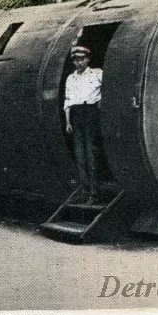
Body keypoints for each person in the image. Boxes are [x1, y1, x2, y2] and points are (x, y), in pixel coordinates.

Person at [64, 45, 103, 204]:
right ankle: (84, 190)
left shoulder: (97, 73)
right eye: (76, 60)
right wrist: (68, 121)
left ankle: (94, 193)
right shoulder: (70, 78)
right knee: (80, 155)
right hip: (76, 115)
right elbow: (68, 101)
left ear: (88, 59)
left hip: (91, 113)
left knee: (91, 153)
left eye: (82, 59)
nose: (79, 63)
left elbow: (104, 95)